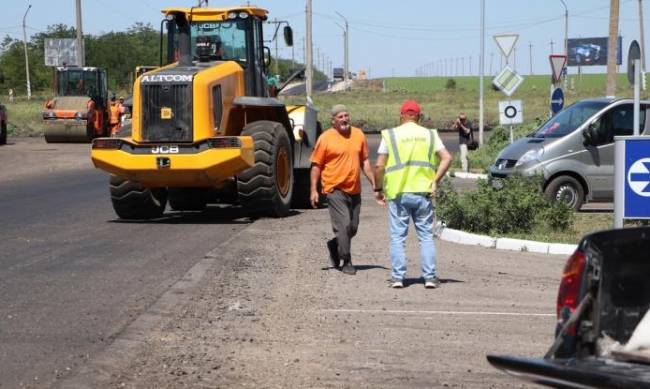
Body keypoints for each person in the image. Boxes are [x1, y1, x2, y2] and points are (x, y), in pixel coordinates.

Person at [374, 100, 452, 289]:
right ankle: (430, 278)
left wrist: (378, 189)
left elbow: (379, 165)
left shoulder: (391, 134)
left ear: (401, 115)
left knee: (398, 237)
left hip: (398, 193)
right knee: (425, 236)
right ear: (419, 117)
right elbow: (447, 158)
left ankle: (398, 278)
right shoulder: (430, 135)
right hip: (423, 192)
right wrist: (434, 181)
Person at [310, 104, 375, 275]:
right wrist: (313, 190)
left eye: (346, 115)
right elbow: (316, 166)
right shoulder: (325, 138)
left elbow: (365, 162)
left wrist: (376, 184)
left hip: (354, 189)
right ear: (333, 121)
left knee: (352, 228)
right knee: (344, 225)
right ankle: (346, 260)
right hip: (334, 188)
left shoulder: (358, 134)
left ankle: (334, 244)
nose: (345, 119)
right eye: (340, 117)